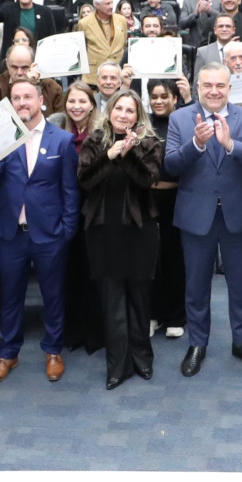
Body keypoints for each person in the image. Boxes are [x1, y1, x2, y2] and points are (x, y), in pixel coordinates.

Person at [163, 63, 242, 375]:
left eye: (220, 86)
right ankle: (197, 343)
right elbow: (170, 165)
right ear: (198, 88)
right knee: (196, 286)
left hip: (238, 214)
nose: (214, 91)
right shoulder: (180, 118)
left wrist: (231, 145)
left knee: (241, 285)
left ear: (229, 88)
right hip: (196, 216)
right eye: (207, 85)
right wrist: (196, 144)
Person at [0, 78, 79, 382]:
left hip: (50, 234)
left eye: (27, 97)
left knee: (53, 295)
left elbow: (70, 192)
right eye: (16, 98)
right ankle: (8, 354)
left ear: (41, 101)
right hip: (10, 234)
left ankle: (53, 351)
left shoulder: (61, 140)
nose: (22, 102)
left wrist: (66, 231)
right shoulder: (1, 137)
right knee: (9, 296)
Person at [77, 89, 164, 388]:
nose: (123, 115)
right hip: (103, 231)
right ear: (109, 111)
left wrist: (127, 155)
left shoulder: (150, 143)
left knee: (139, 299)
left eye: (130, 111)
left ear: (138, 116)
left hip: (140, 231)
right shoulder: (94, 141)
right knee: (112, 301)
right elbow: (85, 181)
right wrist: (110, 156)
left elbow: (147, 179)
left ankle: (142, 358)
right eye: (119, 109)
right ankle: (117, 365)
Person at [146, 79, 187, 340]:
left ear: (174, 98)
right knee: (150, 259)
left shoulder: (182, 121)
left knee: (175, 259)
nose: (158, 101)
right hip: (148, 197)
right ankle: (153, 315)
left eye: (164, 96)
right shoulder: (143, 123)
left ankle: (176, 316)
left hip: (177, 198)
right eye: (154, 96)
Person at [0, 0, 68, 49]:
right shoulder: (8, 10)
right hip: (14, 55)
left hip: (38, 55)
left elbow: (51, 37)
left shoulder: (45, 12)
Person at [77, 0, 126, 89]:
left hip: (116, 73)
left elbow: (124, 43)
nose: (111, 6)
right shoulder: (84, 23)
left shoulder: (121, 20)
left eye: (112, 3)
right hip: (93, 75)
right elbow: (81, 49)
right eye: (107, 4)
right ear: (96, 5)